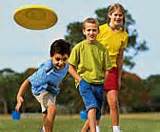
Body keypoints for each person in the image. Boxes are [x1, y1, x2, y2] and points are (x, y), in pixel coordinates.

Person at [15, 39, 71, 132]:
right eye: (57, 59)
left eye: (64, 59)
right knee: (52, 109)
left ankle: (44, 130)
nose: (61, 63)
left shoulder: (66, 66)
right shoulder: (46, 70)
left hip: (52, 90)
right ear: (51, 56)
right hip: (40, 89)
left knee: (47, 115)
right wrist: (19, 97)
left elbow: (71, 69)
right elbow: (28, 80)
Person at [68, 18, 111, 132]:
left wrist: (104, 82)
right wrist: (80, 80)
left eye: (94, 30)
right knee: (92, 107)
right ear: (84, 31)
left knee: (96, 113)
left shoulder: (103, 49)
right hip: (85, 83)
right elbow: (70, 67)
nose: (91, 33)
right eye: (89, 30)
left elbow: (107, 69)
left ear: (98, 31)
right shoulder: (79, 47)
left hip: (99, 84)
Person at [96, 3, 129, 132]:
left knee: (113, 102)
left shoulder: (124, 35)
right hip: (98, 69)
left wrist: (119, 77)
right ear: (110, 15)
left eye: (120, 15)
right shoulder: (100, 29)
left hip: (113, 70)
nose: (118, 17)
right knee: (97, 102)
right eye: (115, 14)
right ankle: (95, 128)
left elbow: (120, 58)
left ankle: (116, 129)